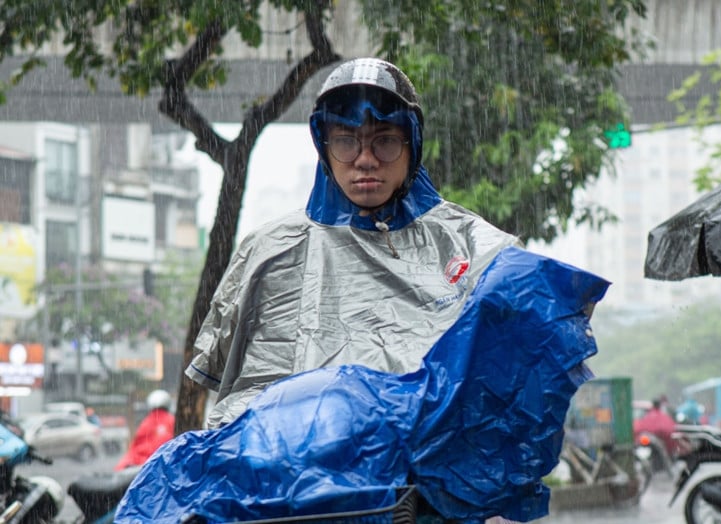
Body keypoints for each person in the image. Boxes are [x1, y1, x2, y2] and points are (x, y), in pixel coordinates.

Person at [185, 58, 521, 429]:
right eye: (346, 141)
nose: (365, 160)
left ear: (412, 144)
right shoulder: (268, 253)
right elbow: (236, 393)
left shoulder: (474, 248)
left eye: (385, 142)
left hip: (429, 478)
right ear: (324, 147)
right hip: (296, 480)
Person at [115, 389, 175, 471]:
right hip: (161, 462)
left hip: (140, 462)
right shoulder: (171, 420)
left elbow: (137, 444)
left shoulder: (147, 421)